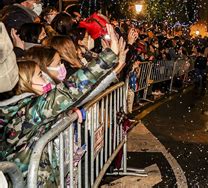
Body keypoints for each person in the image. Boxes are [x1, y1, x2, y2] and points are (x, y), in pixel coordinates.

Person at [0, 24, 127, 185]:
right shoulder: (26, 113)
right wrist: (108, 56)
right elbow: (69, 91)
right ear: (24, 83)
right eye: (40, 75)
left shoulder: (15, 109)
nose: (45, 79)